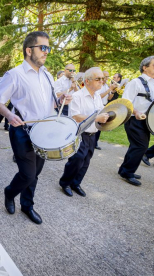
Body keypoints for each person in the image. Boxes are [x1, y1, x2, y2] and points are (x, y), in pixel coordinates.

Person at [0, 31, 72, 224]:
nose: (46, 52)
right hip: (22, 132)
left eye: (48, 48)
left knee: (35, 174)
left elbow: (51, 105)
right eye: (43, 48)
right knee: (27, 174)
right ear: (29, 50)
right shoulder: (15, 75)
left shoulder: (47, 75)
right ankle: (9, 193)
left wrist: (61, 100)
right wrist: (9, 115)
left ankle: (27, 205)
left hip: (44, 133)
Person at [59, 67, 109, 197]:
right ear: (87, 81)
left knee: (86, 160)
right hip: (79, 133)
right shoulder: (77, 96)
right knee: (77, 159)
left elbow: (101, 111)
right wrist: (96, 118)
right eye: (98, 79)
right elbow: (75, 116)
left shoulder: (97, 96)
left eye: (102, 79)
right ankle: (65, 183)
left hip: (93, 133)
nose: (101, 81)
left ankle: (76, 183)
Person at [118, 56, 154, 186]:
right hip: (135, 119)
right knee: (141, 146)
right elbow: (125, 102)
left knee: (136, 146)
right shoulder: (136, 82)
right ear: (145, 67)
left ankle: (124, 169)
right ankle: (127, 173)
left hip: (148, 121)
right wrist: (136, 112)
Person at [94, 70, 118, 150]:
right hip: (97, 107)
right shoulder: (98, 85)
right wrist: (109, 89)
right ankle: (93, 142)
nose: (107, 78)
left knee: (100, 126)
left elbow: (109, 98)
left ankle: (95, 142)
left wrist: (112, 92)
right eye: (106, 76)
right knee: (95, 126)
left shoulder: (106, 86)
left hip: (104, 106)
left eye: (108, 76)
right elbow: (99, 96)